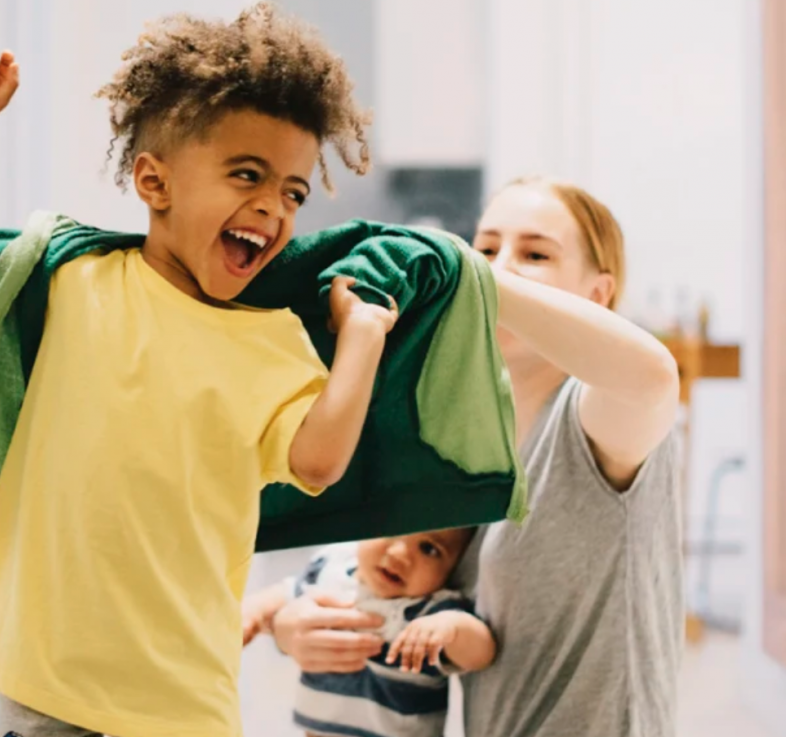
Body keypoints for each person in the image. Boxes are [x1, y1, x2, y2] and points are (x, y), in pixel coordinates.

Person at [0, 6, 397, 736]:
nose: (272, 207)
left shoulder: (273, 341)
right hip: (47, 681)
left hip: (180, 703)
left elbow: (317, 460)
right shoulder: (67, 277)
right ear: (154, 182)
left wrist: (365, 336)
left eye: (292, 192)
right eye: (246, 174)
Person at [270, 177, 683, 737]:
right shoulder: (467, 429)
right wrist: (294, 624)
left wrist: (472, 274)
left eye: (534, 253)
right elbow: (392, 583)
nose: (500, 264)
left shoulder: (591, 416)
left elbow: (653, 379)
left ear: (596, 295)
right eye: (486, 247)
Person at [242, 529, 494, 737]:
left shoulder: (430, 611)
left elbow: (482, 653)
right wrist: (250, 612)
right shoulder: (334, 567)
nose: (399, 554)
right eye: (393, 528)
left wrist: (451, 627)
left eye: (429, 549)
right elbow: (285, 592)